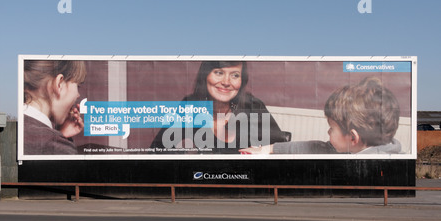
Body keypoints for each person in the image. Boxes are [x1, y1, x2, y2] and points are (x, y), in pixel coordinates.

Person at [150, 61, 290, 154]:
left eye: (235, 75)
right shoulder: (190, 104)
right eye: (219, 72)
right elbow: (157, 150)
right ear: (205, 77)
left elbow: (278, 150)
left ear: (242, 81)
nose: (226, 82)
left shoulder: (253, 106)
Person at [240, 77, 402, 155]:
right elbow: (316, 147)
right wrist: (268, 149)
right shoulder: (354, 148)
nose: (328, 133)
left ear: (353, 137)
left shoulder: (375, 161)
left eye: (332, 128)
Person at [23, 60, 87, 155]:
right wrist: (59, 142)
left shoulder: (21, 129)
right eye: (77, 86)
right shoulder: (57, 147)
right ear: (59, 84)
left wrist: (60, 136)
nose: (78, 95)